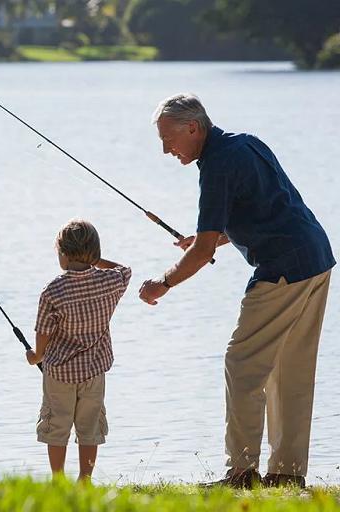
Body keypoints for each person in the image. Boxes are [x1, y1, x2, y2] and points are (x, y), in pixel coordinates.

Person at [139, 93, 335, 489]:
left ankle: (242, 474)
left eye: (169, 140)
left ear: (193, 127)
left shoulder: (216, 165)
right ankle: (286, 475)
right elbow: (262, 209)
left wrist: (163, 282)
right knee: (290, 372)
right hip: (316, 258)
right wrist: (209, 238)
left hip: (283, 267)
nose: (165, 150)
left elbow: (202, 252)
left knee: (242, 364)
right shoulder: (245, 142)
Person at [26, 218, 132, 481]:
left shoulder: (53, 290)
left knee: (56, 425)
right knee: (90, 426)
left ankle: (58, 480)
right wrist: (96, 261)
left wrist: (35, 356)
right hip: (94, 371)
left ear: (62, 253)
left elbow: (44, 333)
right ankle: (85, 480)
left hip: (59, 373)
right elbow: (125, 270)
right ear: (95, 253)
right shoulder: (110, 282)